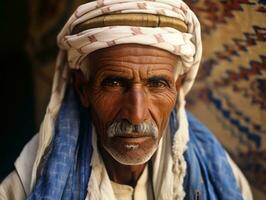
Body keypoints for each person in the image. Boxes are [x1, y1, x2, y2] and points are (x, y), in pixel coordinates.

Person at [0, 0, 253, 199]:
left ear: (176, 88)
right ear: (83, 89)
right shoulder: (27, 186)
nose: (136, 114)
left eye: (157, 84)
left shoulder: (220, 174)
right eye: (114, 83)